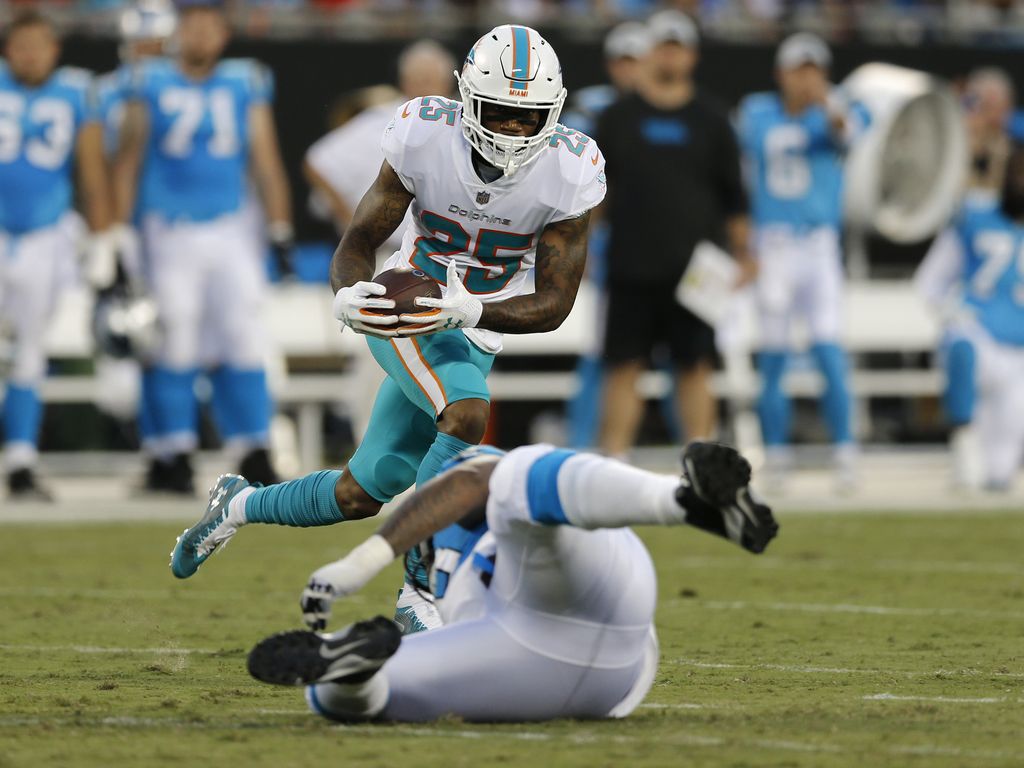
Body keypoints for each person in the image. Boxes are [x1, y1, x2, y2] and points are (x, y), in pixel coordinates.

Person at [170, 25, 605, 636]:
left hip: (471, 329)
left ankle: (236, 506)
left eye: (526, 117)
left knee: (364, 490)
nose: (510, 129)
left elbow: (555, 303)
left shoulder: (571, 167)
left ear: (551, 114)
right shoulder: (426, 133)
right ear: (468, 102)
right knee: (466, 415)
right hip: (410, 303)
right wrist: (349, 291)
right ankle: (421, 590)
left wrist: (472, 312)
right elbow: (360, 241)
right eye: (500, 112)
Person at [243, 440, 778, 722]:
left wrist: (365, 560)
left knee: (346, 693)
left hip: (518, 653)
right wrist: (367, 560)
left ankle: (353, 674)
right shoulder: (468, 527)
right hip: (612, 642)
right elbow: (489, 477)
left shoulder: (456, 535)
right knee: (520, 475)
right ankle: (681, 502)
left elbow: (481, 479)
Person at [114, 0, 294, 494]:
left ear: (222, 33)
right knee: (172, 339)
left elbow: (265, 158)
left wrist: (279, 227)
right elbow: (128, 160)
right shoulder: (147, 79)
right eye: (191, 27)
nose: (199, 37)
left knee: (243, 335)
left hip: (232, 224)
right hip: (166, 225)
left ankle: (253, 446)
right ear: (178, 31)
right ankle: (171, 451)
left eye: (208, 27)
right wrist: (119, 232)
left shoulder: (245, 80)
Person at [596, 10, 753, 459]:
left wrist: (744, 253)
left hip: (699, 268)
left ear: (692, 55)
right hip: (631, 264)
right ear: (650, 51)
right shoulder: (618, 117)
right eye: (663, 45)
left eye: (678, 46)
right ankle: (613, 461)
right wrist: (579, 248)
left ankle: (699, 462)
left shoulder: (713, 118)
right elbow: (597, 194)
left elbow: (734, 196)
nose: (670, 54)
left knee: (696, 366)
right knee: (623, 367)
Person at [736, 33, 866, 492]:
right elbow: (739, 172)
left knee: (829, 347)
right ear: (781, 73)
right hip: (771, 244)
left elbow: (848, 132)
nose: (806, 77)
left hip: (818, 244)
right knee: (773, 355)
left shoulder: (835, 109)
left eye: (814, 69)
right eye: (798, 68)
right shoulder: (756, 113)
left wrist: (825, 98)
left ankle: (846, 450)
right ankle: (777, 454)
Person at [0, 11, 114, 500]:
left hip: (46, 233)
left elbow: (91, 168)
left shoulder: (75, 91)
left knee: (29, 351)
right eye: (20, 45)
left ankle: (21, 460)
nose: (29, 55)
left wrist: (104, 235)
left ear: (54, 50)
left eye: (38, 45)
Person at [915, 142, 1024, 492]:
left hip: (1019, 358)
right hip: (981, 337)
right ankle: (961, 437)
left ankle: (992, 462)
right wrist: (954, 313)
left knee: (997, 476)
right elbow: (929, 282)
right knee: (960, 341)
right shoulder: (974, 216)